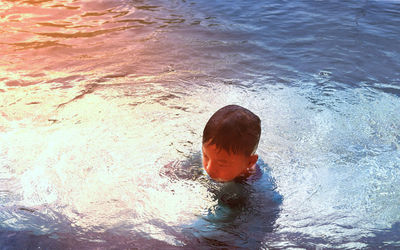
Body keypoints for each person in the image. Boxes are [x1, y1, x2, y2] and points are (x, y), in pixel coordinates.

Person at [202, 104, 261, 182]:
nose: (209, 169)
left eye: (221, 164)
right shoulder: (197, 162)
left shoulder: (257, 187)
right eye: (205, 156)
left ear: (250, 162)